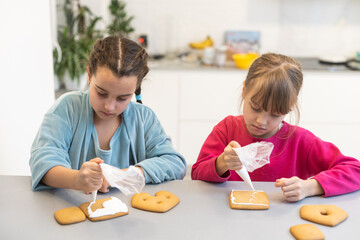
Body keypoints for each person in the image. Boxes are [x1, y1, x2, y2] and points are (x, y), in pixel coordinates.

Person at [191, 53, 360, 202]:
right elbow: (196, 173)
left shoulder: (302, 142)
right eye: (255, 108)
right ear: (244, 90)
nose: (261, 121)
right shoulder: (227, 129)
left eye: (275, 114)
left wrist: (311, 187)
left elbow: (355, 171)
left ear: (289, 108)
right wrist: (222, 162)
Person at [30, 36, 186, 192]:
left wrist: (124, 176)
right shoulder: (68, 108)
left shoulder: (144, 118)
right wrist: (76, 180)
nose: (109, 106)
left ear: (135, 88)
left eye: (122, 98)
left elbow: (174, 163)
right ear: (90, 75)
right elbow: (43, 160)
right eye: (101, 93)